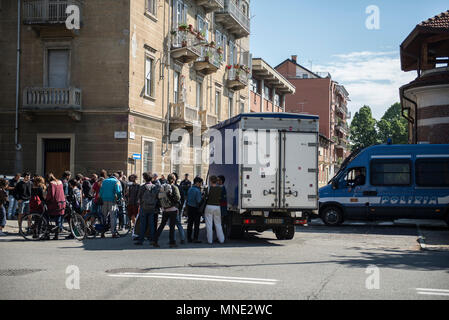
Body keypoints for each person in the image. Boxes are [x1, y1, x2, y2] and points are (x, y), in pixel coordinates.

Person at [154, 174, 181, 248]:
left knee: (162, 225)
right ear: (173, 180)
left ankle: (155, 239)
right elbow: (177, 198)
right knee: (172, 226)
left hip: (165, 209)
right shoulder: (174, 187)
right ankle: (172, 242)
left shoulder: (163, 186)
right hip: (172, 209)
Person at [135, 172, 160, 246]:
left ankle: (141, 240)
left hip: (144, 207)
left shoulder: (143, 187)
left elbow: (139, 197)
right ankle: (152, 239)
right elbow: (157, 197)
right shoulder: (155, 187)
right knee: (151, 224)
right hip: (152, 207)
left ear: (144, 178)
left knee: (143, 224)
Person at [99, 174, 122, 238]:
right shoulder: (116, 181)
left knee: (103, 216)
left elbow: (101, 191)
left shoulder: (104, 181)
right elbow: (118, 191)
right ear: (116, 177)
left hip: (104, 199)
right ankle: (113, 233)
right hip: (112, 200)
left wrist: (100, 197)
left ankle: (102, 233)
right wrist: (119, 198)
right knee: (113, 217)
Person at [45, 173, 67, 240]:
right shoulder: (60, 182)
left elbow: (51, 194)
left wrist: (46, 200)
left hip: (55, 203)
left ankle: (47, 233)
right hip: (62, 202)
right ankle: (56, 235)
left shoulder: (51, 184)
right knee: (58, 218)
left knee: (46, 216)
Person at [204, 176, 225, 245]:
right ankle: (221, 239)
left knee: (209, 224)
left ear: (210, 181)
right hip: (217, 207)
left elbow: (205, 197)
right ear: (216, 181)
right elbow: (221, 198)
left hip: (209, 206)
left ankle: (210, 240)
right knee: (218, 224)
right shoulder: (220, 188)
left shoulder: (208, 188)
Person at [186, 177, 203, 243]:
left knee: (190, 223)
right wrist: (203, 198)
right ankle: (195, 238)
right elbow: (198, 201)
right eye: (200, 183)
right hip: (196, 209)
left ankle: (189, 238)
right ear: (197, 182)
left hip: (190, 207)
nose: (201, 185)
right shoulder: (197, 191)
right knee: (196, 224)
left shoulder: (190, 189)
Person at [172, 172, 186, 244]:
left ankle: (173, 239)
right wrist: (180, 207)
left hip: (173, 208)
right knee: (178, 223)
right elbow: (183, 199)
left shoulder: (171, 187)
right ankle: (182, 238)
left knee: (173, 224)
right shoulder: (180, 187)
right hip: (178, 208)